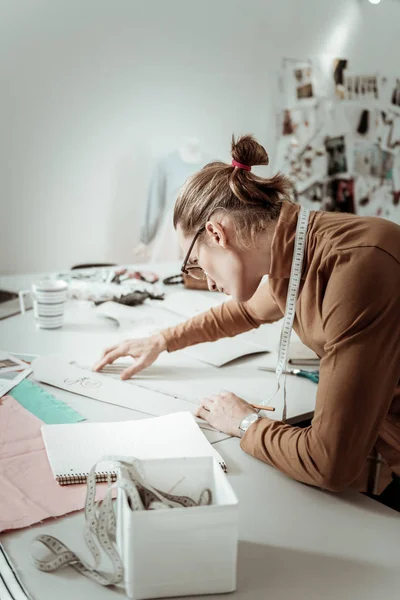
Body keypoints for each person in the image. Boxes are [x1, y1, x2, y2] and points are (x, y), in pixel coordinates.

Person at [94, 135, 400, 509]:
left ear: (216, 233)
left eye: (194, 262)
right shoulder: (296, 252)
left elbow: (329, 462)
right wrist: (161, 340)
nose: (203, 279)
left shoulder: (356, 265)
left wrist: (243, 423)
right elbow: (244, 311)